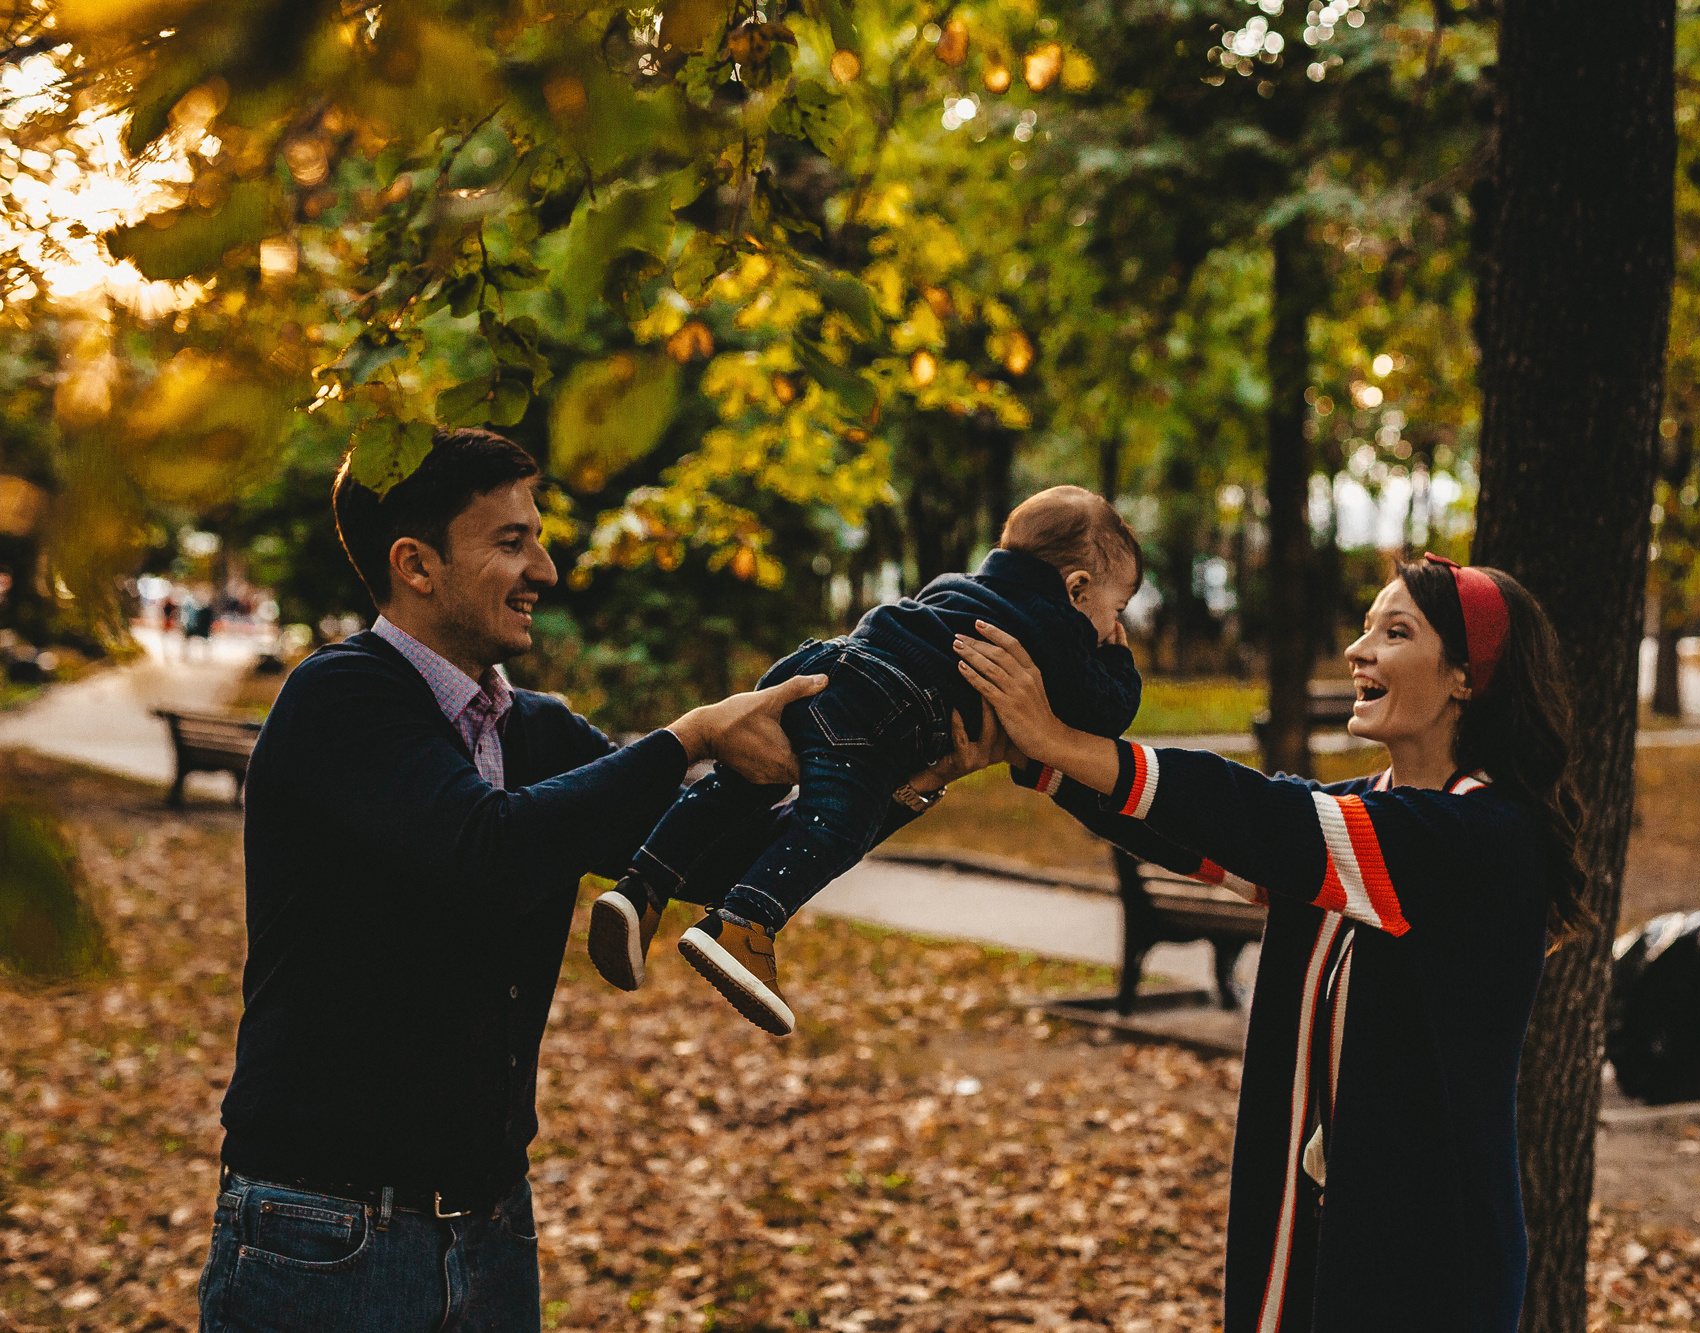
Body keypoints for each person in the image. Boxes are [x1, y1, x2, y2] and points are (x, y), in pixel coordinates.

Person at [196, 429, 986, 1333]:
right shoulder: (340, 700)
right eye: (510, 541)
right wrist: (688, 735)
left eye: (537, 535)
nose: (546, 567)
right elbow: (489, 847)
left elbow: (716, 859)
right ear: (415, 564)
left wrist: (903, 784)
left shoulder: (534, 729)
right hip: (323, 1231)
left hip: (488, 1226)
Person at [954, 553, 1589, 1333]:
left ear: (1465, 676)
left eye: (1395, 632)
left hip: (1426, 1257)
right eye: (1365, 628)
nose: (1359, 651)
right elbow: (1213, 841)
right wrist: (1034, 758)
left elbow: (1262, 818)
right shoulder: (1367, 819)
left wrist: (1056, 740)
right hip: (1319, 1225)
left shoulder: (1482, 836)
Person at [587, 484, 1145, 1036]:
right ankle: (745, 923)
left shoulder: (956, 585)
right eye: (1116, 610)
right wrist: (1118, 660)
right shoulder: (1059, 627)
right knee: (836, 825)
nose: (1111, 627)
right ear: (1077, 589)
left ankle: (641, 888)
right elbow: (1106, 710)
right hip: (885, 709)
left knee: (739, 783)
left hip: (828, 661)